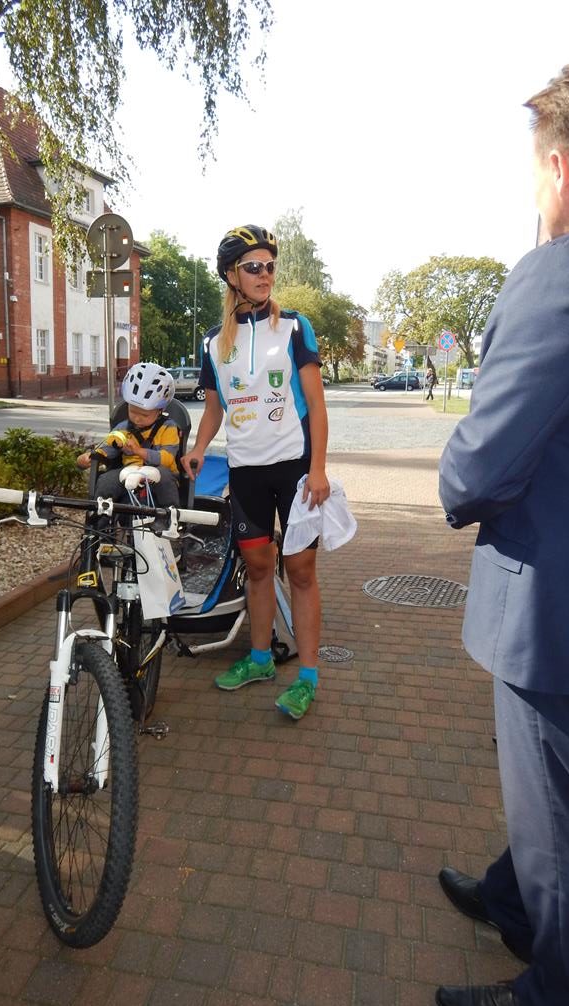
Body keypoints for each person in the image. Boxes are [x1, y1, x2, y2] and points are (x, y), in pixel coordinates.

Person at [436, 56, 569, 1006]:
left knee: (562, 822)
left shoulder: (567, 269)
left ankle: (560, 998)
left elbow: (483, 463)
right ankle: (510, 899)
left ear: (560, 168)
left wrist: (452, 483)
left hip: (558, 604)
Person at [182, 224, 329, 721]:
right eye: (253, 267)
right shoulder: (212, 342)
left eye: (269, 266)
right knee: (260, 568)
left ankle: (307, 677)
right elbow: (213, 408)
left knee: (301, 571)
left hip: (294, 469)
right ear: (232, 275)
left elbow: (316, 404)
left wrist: (318, 469)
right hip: (245, 470)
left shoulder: (294, 328)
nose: (264, 274)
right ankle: (261, 659)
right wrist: (199, 448)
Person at [77, 362, 181, 509]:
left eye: (144, 415)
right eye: (133, 412)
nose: (137, 419)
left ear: (160, 410)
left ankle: (169, 515)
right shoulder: (123, 428)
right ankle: (101, 515)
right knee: (106, 480)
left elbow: (167, 459)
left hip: (160, 473)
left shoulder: (168, 428)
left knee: (165, 478)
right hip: (129, 472)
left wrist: (138, 451)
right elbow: (108, 448)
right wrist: (91, 457)